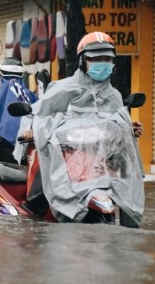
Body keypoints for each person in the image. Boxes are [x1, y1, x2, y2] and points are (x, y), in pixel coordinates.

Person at [14, 31, 144, 226]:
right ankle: (34, 219)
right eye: (97, 59)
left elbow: (113, 123)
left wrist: (127, 129)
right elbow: (36, 115)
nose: (104, 63)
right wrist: (31, 129)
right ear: (83, 61)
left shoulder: (114, 95)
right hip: (68, 157)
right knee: (42, 189)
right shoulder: (62, 89)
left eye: (108, 59)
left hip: (101, 161)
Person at [0, 57, 38, 163]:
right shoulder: (30, 95)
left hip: (2, 149)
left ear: (1, 74)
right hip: (27, 148)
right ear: (21, 75)